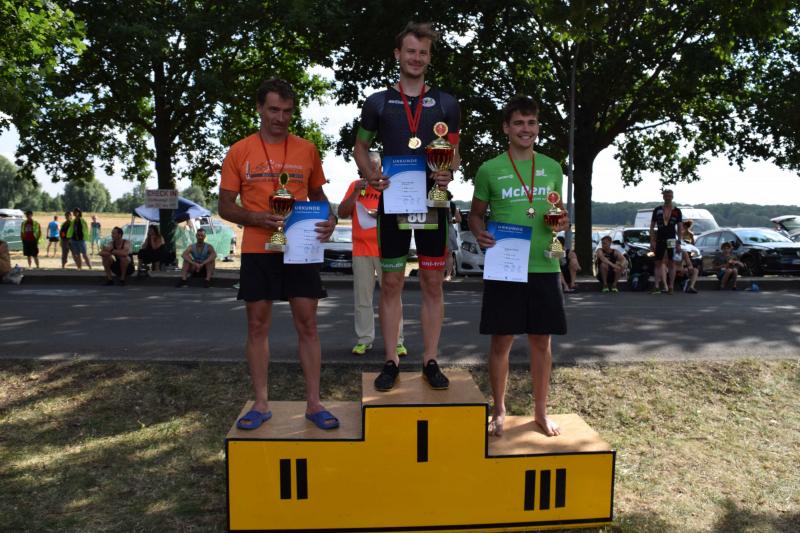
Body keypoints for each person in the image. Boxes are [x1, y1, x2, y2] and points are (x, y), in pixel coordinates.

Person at [218, 78, 339, 431]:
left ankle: (314, 403)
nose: (280, 118)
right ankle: (261, 403)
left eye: (287, 111)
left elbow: (318, 197)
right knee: (257, 325)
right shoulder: (239, 150)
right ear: (259, 108)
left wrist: (330, 219)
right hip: (259, 247)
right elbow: (224, 206)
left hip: (300, 248)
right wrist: (257, 218)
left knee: (308, 324)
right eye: (273, 109)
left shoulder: (307, 149)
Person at [354, 21, 461, 391]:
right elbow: (360, 147)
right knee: (391, 282)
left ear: (429, 58)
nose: (417, 58)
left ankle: (430, 360)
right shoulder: (378, 102)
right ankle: (390, 361)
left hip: (433, 200)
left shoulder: (446, 103)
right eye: (411, 51)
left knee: (432, 281)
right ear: (398, 54)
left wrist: (449, 172)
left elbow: (454, 152)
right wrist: (369, 175)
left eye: (423, 52)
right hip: (394, 200)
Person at [469, 95, 568, 437]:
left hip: (544, 266)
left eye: (531, 123)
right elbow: (476, 215)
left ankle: (540, 411)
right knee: (502, 341)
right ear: (506, 128)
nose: (526, 129)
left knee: (542, 341)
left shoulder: (553, 167)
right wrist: (479, 233)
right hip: (505, 266)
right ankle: (499, 409)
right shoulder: (489, 169)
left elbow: (558, 212)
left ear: (538, 127)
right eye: (519, 123)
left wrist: (563, 221)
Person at [337, 152, 407, 357]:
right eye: (365, 168)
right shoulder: (355, 185)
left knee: (392, 296)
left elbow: (403, 214)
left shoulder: (389, 184)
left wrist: (381, 216)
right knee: (362, 298)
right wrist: (355, 194)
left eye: (373, 168)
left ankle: (397, 341)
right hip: (361, 250)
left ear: (380, 167)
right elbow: (342, 213)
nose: (369, 172)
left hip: (387, 249)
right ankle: (364, 339)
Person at [649, 189, 682, 294]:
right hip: (660, 238)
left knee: (672, 262)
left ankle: (671, 286)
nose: (668, 197)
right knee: (658, 262)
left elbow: (680, 227)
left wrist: (679, 242)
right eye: (666, 195)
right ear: (663, 197)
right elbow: (652, 226)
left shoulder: (677, 211)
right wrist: (652, 240)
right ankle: (656, 286)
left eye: (669, 196)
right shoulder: (657, 209)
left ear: (672, 197)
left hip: (671, 239)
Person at [444, 196, 462, 281]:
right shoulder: (452, 204)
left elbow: (459, 219)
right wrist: (451, 221)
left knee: (448, 253)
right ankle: (447, 274)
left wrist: (450, 221)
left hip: (446, 229)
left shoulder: (452, 205)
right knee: (447, 253)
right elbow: (459, 219)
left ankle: (447, 274)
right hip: (447, 229)